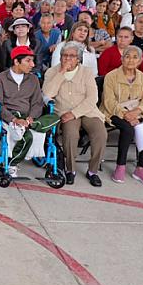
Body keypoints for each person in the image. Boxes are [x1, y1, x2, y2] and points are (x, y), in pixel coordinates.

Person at [42, 42, 106, 187]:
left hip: (87, 111)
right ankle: (70, 169)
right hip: (64, 111)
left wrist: (75, 113)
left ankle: (93, 171)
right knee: (70, 134)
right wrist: (61, 73)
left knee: (100, 133)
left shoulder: (87, 72)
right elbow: (47, 94)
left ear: (78, 59)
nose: (68, 59)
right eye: (65, 55)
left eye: (72, 56)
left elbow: (92, 98)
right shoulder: (52, 72)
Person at [0, 46, 59, 172]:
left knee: (55, 117)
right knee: (27, 136)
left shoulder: (33, 79)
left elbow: (37, 103)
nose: (32, 65)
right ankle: (13, 163)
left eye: (32, 61)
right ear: (16, 62)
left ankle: (31, 124)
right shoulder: (0, 79)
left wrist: (30, 118)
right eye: (28, 61)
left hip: (28, 116)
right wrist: (14, 119)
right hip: (10, 116)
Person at [100, 45, 143, 186]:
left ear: (140, 60)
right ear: (122, 58)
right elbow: (108, 101)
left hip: (136, 112)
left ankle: (142, 169)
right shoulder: (111, 76)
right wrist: (125, 114)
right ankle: (120, 166)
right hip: (113, 111)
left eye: (135, 57)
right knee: (128, 129)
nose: (131, 60)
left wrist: (136, 113)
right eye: (127, 56)